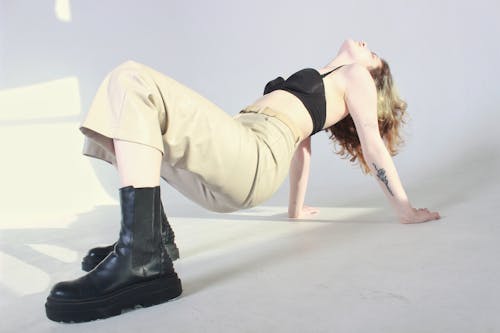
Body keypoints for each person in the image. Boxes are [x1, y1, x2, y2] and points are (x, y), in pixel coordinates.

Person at [45, 39, 441, 323]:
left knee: (130, 79)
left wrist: (404, 208)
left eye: (373, 54)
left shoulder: (356, 76)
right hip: (237, 158)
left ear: (371, 72)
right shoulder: (320, 84)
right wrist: (295, 208)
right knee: (127, 121)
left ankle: (142, 258)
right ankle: (152, 239)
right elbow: (301, 149)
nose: (365, 44)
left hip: (254, 156)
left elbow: (371, 141)